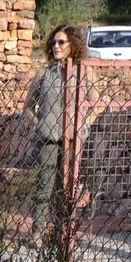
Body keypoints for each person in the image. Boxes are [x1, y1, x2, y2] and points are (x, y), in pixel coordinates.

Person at [22, 24, 85, 249]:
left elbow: (96, 103)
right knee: (44, 186)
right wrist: (39, 125)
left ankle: (65, 232)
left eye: (61, 42)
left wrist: (83, 124)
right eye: (53, 42)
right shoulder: (44, 73)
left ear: (73, 45)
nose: (56, 46)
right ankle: (37, 233)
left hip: (72, 137)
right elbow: (27, 106)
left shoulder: (83, 72)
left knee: (68, 188)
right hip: (47, 138)